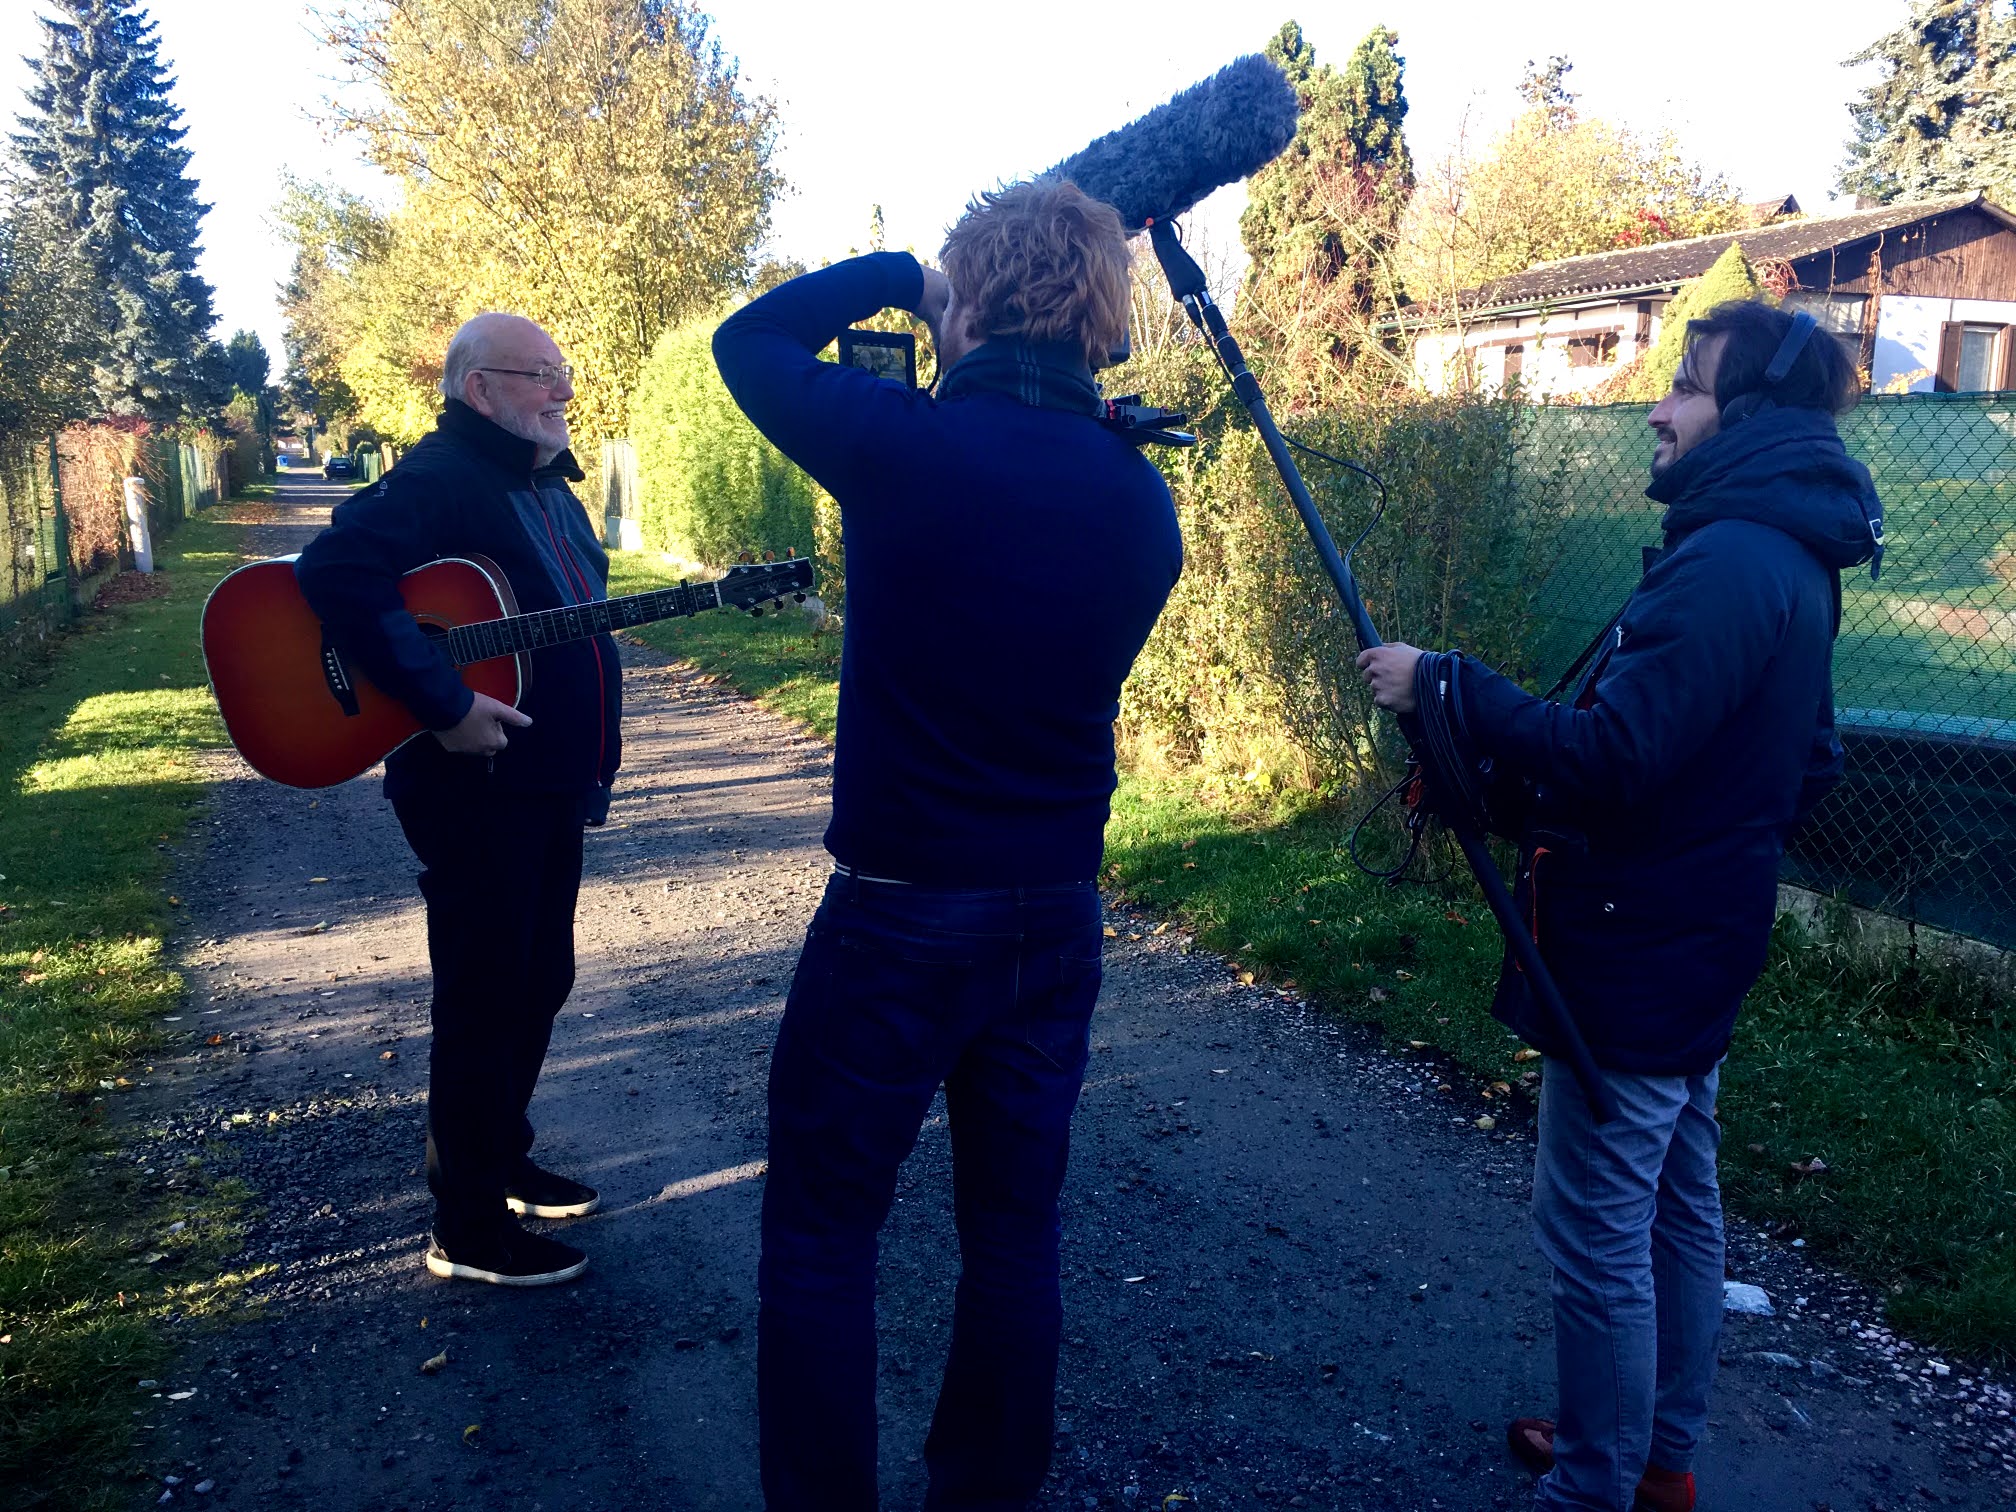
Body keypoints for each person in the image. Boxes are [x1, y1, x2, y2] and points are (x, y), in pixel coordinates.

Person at [1358, 300, 1882, 1512]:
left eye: (1686, 388)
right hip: (1696, 943)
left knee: (1598, 1231)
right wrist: (1705, 861)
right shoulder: (1790, 555)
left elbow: (1609, 757)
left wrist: (1445, 681)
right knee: (1678, 1210)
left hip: (1634, 955)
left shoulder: (1732, 561)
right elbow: (1809, 765)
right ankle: (1654, 1457)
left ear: (1741, 414)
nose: (1657, 406)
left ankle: (1595, 1484)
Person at [712, 180, 1182, 1511]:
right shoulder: (1141, 506)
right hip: (1052, 916)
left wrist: (898, 275)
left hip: (901, 915)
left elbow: (745, 346)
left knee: (822, 1233)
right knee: (1013, 1232)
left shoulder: (901, 447)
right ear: (1099, 306)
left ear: (964, 300)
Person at [294, 313, 621, 1288]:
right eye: (541, 377)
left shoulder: (545, 486)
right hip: (474, 780)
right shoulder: (444, 476)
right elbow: (333, 570)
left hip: (546, 778)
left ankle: (497, 1156)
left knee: (539, 978)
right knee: (487, 994)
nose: (563, 392)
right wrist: (440, 703)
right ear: (478, 389)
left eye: (565, 375)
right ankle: (468, 1228)